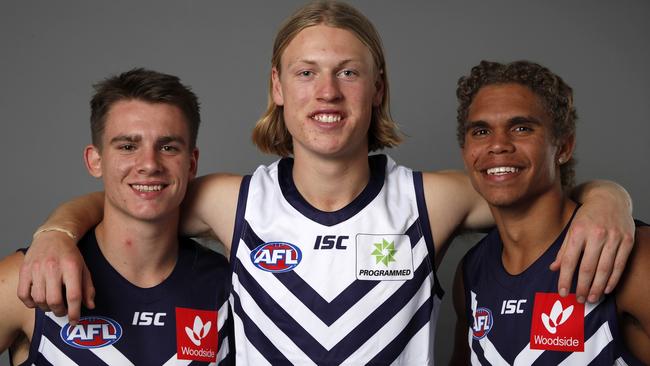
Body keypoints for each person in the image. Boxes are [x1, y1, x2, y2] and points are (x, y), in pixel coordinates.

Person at [17, 2, 634, 365]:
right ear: (279, 89)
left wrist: (611, 199)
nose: (328, 92)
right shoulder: (232, 201)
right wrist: (54, 233)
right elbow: (130, 194)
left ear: (378, 88)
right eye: (306, 72)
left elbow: (529, 186)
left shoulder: (432, 200)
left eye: (348, 72)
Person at [0, 68, 232, 365]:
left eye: (168, 147)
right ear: (95, 161)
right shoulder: (32, 275)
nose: (149, 164)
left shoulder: (227, 287)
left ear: (191, 163)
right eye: (127, 146)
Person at [450, 60, 649, 365]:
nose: (498, 145)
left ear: (564, 147)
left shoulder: (631, 257)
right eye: (481, 131)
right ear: (466, 152)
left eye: (521, 128)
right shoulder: (471, 274)